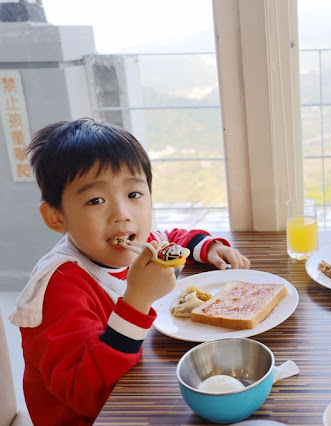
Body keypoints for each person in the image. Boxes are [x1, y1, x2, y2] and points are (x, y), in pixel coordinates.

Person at [9, 118, 250, 425]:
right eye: (96, 200)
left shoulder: (135, 243)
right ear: (56, 217)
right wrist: (136, 301)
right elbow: (90, 395)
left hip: (139, 385)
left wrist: (208, 248)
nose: (122, 215)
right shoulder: (57, 288)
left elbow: (170, 240)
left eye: (134, 195)